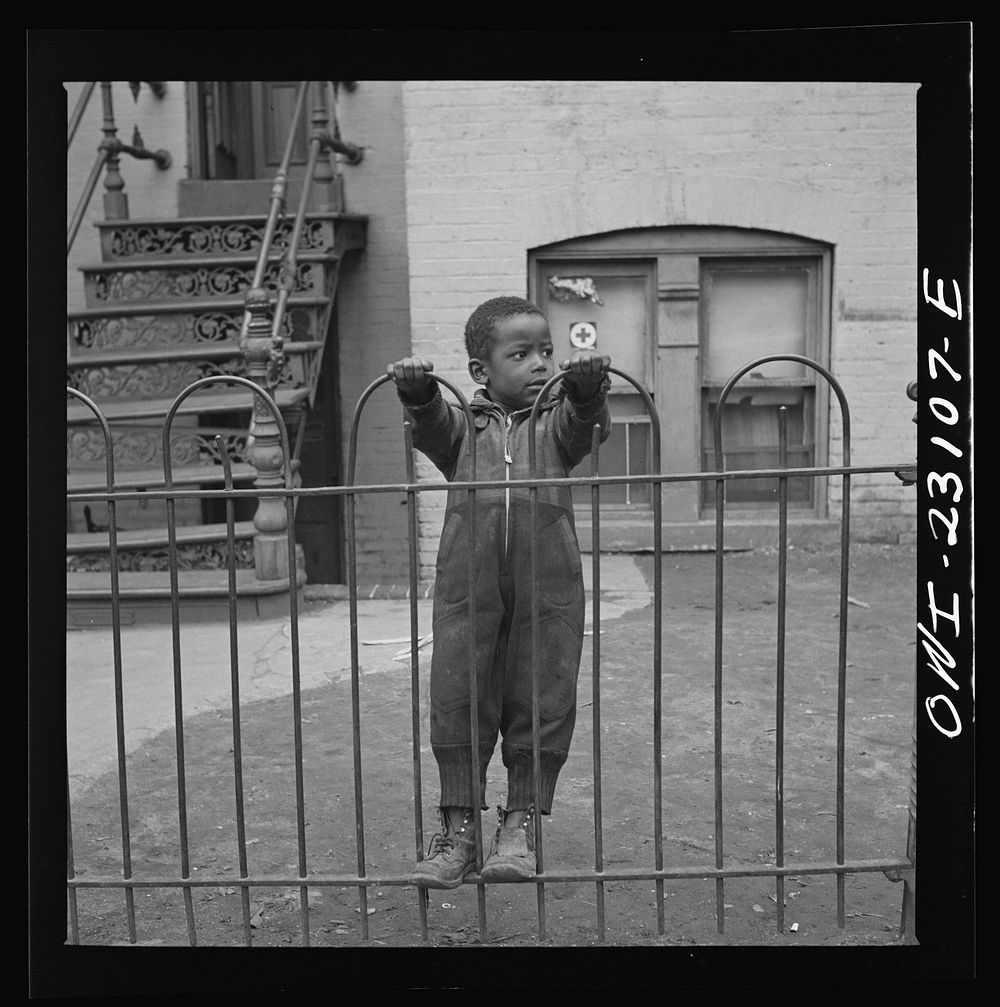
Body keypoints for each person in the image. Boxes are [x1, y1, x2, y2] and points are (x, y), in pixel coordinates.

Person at [386, 295, 611, 888]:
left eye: (546, 351)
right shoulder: (465, 426)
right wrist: (419, 394)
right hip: (468, 584)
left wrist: (587, 391)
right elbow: (431, 426)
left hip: (549, 584)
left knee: (544, 690)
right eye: (522, 353)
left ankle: (521, 828)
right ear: (481, 372)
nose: (540, 362)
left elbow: (584, 427)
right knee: (459, 691)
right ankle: (457, 832)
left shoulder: (555, 422)